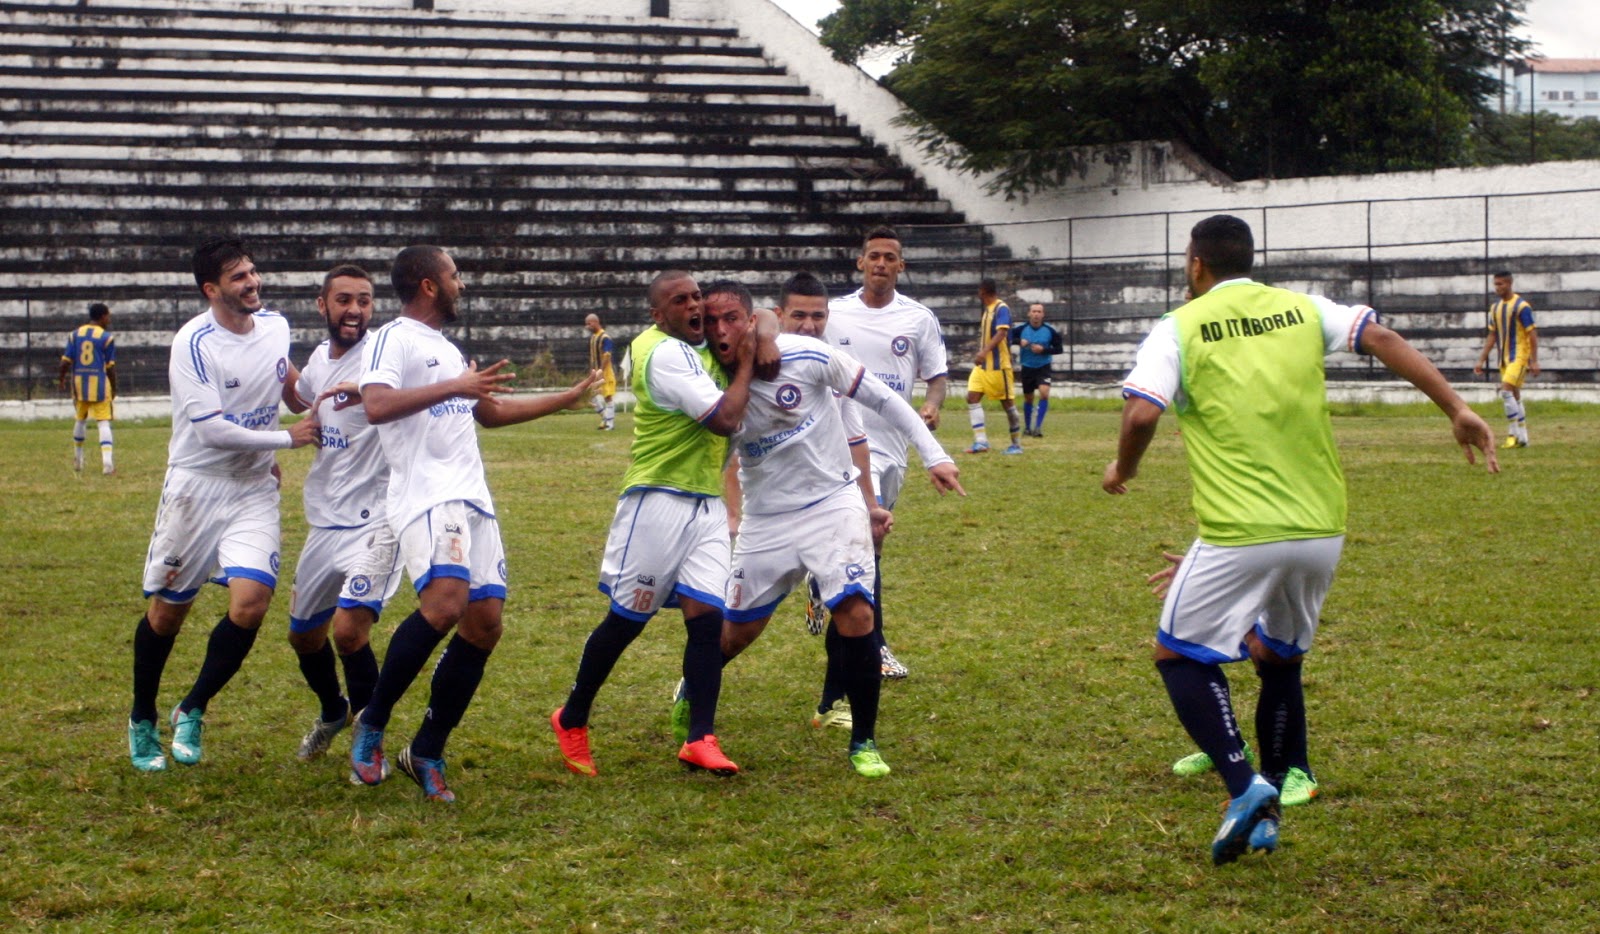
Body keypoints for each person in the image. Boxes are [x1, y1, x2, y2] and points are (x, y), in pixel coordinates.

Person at [1102, 214, 1499, 865]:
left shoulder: (1179, 326)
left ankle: (1243, 783)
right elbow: (1384, 336)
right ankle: (1272, 811)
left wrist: (1124, 467)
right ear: (1247, 261)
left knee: (1178, 656)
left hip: (1241, 530)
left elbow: (1143, 409)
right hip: (1321, 528)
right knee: (1277, 657)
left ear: (1195, 265)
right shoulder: (1301, 309)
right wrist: (1456, 407)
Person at [347, 245, 597, 803]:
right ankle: (372, 721)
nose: (462, 284)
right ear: (430, 285)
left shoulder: (450, 349)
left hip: (473, 498)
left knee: (484, 624)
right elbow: (377, 406)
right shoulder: (394, 338)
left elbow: (491, 413)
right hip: (427, 495)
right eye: (455, 275)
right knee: (444, 605)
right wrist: (454, 386)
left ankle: (427, 748)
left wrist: (566, 397)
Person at [707, 275, 963, 776]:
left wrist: (933, 455)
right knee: (734, 635)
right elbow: (726, 458)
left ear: (752, 316)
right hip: (767, 519)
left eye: (734, 317)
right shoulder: (707, 377)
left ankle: (863, 742)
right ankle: (691, 693)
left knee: (857, 614)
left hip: (831, 504)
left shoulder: (811, 357)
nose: (722, 327)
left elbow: (883, 405)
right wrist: (731, 514)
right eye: (712, 320)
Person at [551, 271, 773, 779]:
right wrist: (743, 365)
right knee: (627, 620)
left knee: (707, 618)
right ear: (658, 314)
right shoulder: (662, 351)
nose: (694, 306)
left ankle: (701, 737)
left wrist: (761, 331)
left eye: (697, 297)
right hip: (658, 500)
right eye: (681, 300)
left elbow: (766, 319)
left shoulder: (695, 350)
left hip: (705, 503)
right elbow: (723, 418)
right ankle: (572, 716)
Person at [127, 237, 322, 772]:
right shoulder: (193, 343)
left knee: (251, 603)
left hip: (254, 486)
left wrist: (327, 398)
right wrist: (286, 440)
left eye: (253, 273)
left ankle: (192, 708)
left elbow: (287, 383)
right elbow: (211, 430)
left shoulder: (277, 327)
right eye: (239, 278)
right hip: (197, 487)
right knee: (168, 614)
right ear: (212, 290)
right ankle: (142, 717)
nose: (253, 283)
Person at [280, 264, 401, 766]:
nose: (355, 310)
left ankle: (367, 741)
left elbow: (406, 397)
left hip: (378, 518)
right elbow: (303, 398)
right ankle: (334, 711)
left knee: (349, 632)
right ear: (322, 304)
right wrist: (276, 366)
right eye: (345, 299)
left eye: (365, 301)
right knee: (303, 636)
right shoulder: (316, 359)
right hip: (325, 518)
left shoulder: (382, 357)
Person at [825, 224, 949, 681]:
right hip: (841, 443)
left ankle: (826, 584)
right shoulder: (833, 314)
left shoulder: (918, 319)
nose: (880, 263)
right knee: (863, 534)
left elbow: (936, 375)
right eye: (873, 255)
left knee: (871, 540)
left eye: (889, 257)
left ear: (901, 266)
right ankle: (872, 645)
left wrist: (931, 406)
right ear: (860, 262)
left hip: (893, 447)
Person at [1473, 270, 1539, 448]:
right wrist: (1481, 359)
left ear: (1509, 284)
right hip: (1504, 358)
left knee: (1506, 391)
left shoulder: (1521, 306)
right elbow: (1492, 335)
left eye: (1500, 284)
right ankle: (1524, 438)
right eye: (1495, 284)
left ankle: (1512, 434)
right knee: (1515, 396)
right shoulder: (1495, 308)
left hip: (1519, 356)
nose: (1497, 288)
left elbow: (1532, 333)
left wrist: (1533, 360)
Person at [964, 278, 1022, 455]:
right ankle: (981, 442)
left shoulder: (1000, 308)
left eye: (979, 290)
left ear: (983, 291)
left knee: (1007, 404)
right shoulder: (988, 310)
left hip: (999, 366)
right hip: (983, 367)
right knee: (972, 397)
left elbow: (1002, 333)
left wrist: (984, 352)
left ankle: (1016, 445)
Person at [58, 302, 117, 474]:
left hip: (79, 384)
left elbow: (64, 362)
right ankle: (107, 464)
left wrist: (61, 380)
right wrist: (113, 387)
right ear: (102, 316)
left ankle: (78, 460)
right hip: (99, 383)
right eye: (108, 316)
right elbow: (110, 367)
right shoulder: (106, 337)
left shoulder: (75, 335)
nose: (109, 319)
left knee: (80, 419)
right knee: (103, 422)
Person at [1011, 303, 1059, 437]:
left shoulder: (1050, 330)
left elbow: (1059, 348)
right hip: (1027, 367)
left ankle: (1038, 427)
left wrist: (1044, 350)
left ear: (1043, 314)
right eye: (1034, 311)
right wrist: (1018, 341)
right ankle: (1027, 428)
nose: (1036, 314)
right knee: (1029, 398)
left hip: (1043, 366)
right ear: (1029, 314)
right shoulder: (1022, 329)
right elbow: (1007, 337)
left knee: (1044, 393)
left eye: (1039, 312)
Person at [585, 312, 617, 431]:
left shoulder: (605, 338)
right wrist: (592, 371)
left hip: (605, 373)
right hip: (595, 372)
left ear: (595, 322)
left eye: (588, 324)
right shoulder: (593, 337)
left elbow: (607, 356)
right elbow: (593, 356)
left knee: (607, 397)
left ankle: (610, 424)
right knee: (590, 395)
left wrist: (601, 371)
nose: (587, 326)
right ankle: (605, 417)